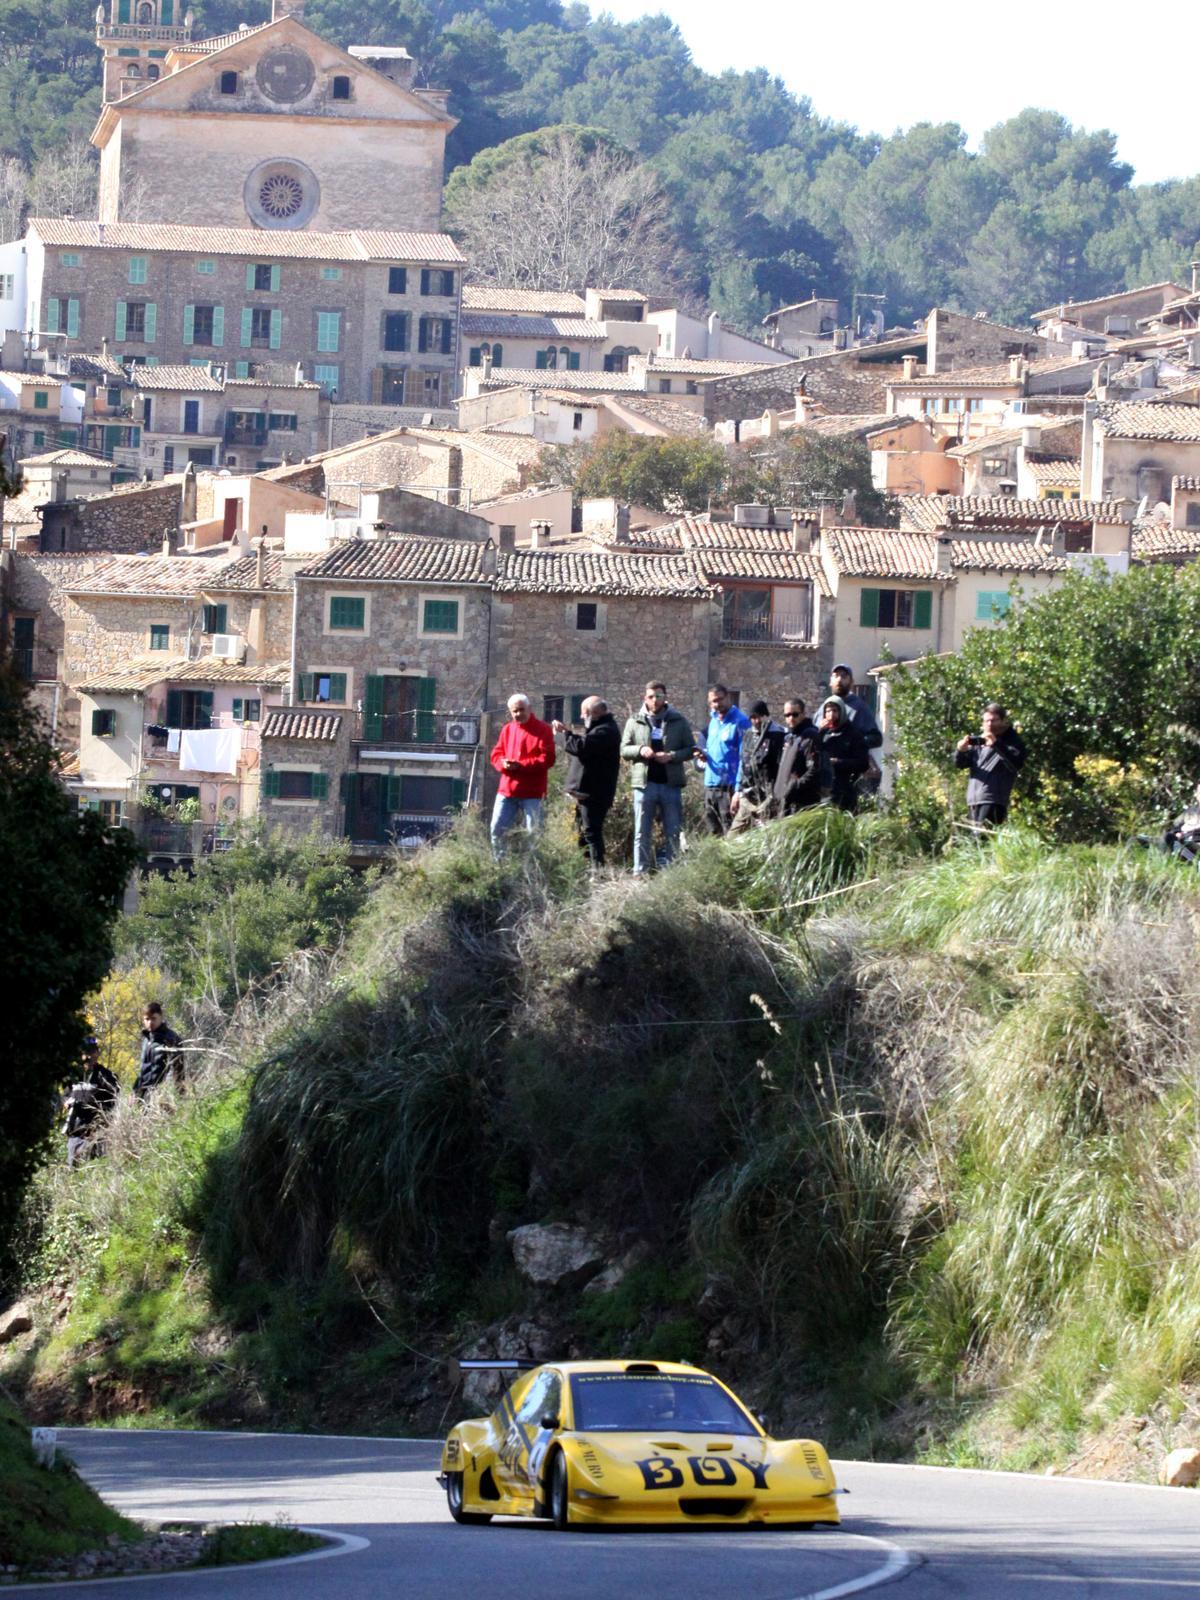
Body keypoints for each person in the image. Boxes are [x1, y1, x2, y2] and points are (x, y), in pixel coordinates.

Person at [621, 681, 695, 874]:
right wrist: (640, 749)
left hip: (670, 785)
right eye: (651, 696)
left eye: (659, 696)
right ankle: (640, 872)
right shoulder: (634, 721)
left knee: (673, 832)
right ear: (645, 698)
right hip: (644, 785)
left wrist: (671, 756)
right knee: (641, 832)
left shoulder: (678, 721)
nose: (655, 700)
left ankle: (672, 873)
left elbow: (690, 749)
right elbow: (623, 749)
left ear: (665, 697)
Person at [552, 696, 621, 868]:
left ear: (594, 713)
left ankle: (597, 870)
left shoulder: (607, 730)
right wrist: (567, 733)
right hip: (588, 792)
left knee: (591, 832)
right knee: (583, 832)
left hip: (595, 793)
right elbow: (583, 744)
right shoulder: (600, 728)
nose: (582, 717)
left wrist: (560, 737)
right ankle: (586, 867)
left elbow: (581, 747)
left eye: (584, 713)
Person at [489, 693, 556, 853]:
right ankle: (500, 868)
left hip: (533, 793)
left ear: (529, 709)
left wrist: (521, 766)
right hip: (507, 791)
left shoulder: (543, 730)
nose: (518, 714)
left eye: (521, 710)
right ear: (510, 712)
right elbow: (496, 755)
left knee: (534, 835)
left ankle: (532, 870)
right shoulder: (507, 729)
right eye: (514, 711)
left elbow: (548, 759)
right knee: (497, 830)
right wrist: (503, 764)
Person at [954, 703, 1026, 829]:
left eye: (993, 720)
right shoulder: (980, 741)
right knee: (975, 844)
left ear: (1003, 721)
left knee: (984, 838)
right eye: (986, 721)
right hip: (974, 800)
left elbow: (1016, 764)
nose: (989, 724)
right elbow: (960, 764)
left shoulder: (1012, 741)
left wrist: (996, 744)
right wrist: (961, 750)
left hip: (994, 800)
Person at [694, 684, 751, 836]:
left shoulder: (741, 722)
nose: (718, 704)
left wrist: (738, 791)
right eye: (713, 701)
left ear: (728, 698)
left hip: (729, 787)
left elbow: (744, 758)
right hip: (710, 785)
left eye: (720, 699)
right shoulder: (713, 722)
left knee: (731, 834)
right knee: (714, 834)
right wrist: (704, 755)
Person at [63, 1037, 120, 1167]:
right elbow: (65, 1095)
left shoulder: (106, 1076)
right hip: (75, 1132)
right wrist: (66, 1103)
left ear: (98, 1053)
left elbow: (113, 1100)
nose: (89, 1056)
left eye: (92, 1052)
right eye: (86, 1052)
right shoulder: (74, 1076)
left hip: (97, 1131)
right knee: (73, 1170)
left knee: (96, 1168)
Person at [731, 700, 786, 831]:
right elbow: (743, 763)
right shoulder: (748, 735)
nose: (755, 721)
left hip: (768, 797)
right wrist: (737, 792)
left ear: (765, 715)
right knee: (733, 836)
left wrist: (775, 796)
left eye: (757, 717)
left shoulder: (778, 736)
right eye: (752, 718)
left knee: (766, 836)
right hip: (748, 796)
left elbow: (782, 768)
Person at [773, 699, 824, 815]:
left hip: (800, 805)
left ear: (803, 714)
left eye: (795, 714)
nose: (791, 718)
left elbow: (814, 769)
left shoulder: (809, 736)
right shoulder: (790, 736)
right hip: (785, 802)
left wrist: (793, 786)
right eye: (787, 715)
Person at [818, 695, 869, 811]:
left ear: (842, 712)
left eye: (835, 710)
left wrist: (839, 762)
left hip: (844, 791)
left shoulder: (853, 734)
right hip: (824, 790)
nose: (831, 715)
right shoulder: (823, 733)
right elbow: (814, 753)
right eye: (828, 711)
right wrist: (819, 733)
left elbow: (863, 763)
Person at [133, 1003, 183, 1098]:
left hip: (162, 1093)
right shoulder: (147, 1040)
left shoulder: (171, 1039)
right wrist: (135, 1091)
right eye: (147, 1019)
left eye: (154, 1018)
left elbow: (178, 1070)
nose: (150, 1022)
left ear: (161, 1017)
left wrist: (176, 1093)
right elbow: (143, 1070)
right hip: (143, 1093)